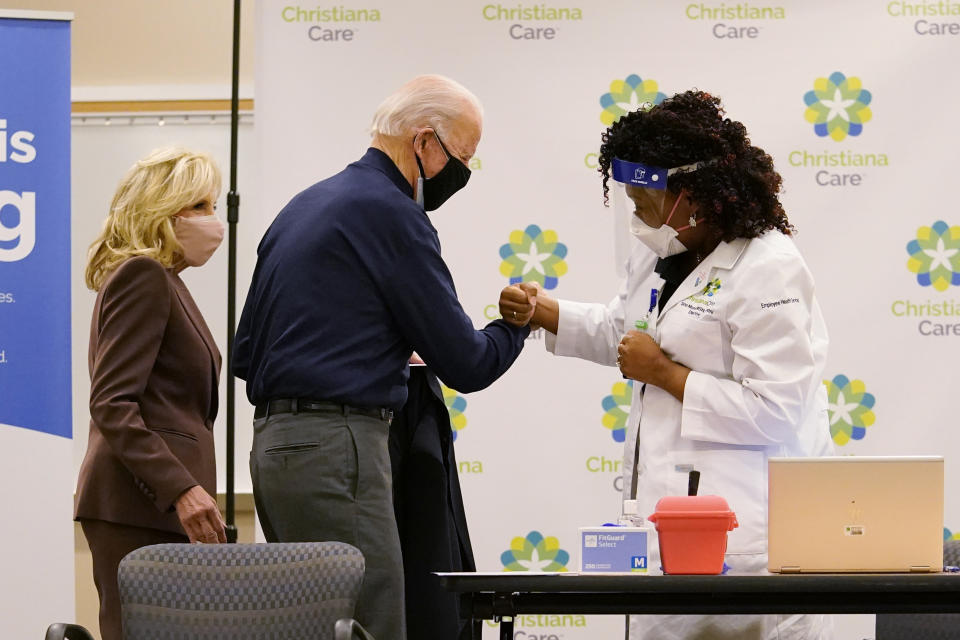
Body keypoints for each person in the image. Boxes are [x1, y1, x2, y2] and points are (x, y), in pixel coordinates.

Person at [502, 91, 835, 639]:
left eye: (644, 201)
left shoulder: (767, 268)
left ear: (692, 194)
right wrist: (545, 312)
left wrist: (665, 375)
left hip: (746, 545)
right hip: (669, 535)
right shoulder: (667, 253)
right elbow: (626, 331)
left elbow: (778, 411)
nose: (635, 215)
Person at [234, 74, 532, 640]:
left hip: (274, 448)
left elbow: (248, 351)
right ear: (424, 141)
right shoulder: (392, 213)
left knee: (309, 626)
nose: (461, 176)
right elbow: (467, 363)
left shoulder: (304, 205)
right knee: (368, 624)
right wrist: (512, 327)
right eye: (461, 159)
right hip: (339, 450)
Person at [75, 147, 227, 640]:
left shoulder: (165, 281)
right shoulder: (143, 276)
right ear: (163, 210)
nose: (214, 221)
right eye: (200, 206)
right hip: (139, 504)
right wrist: (179, 489)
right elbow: (112, 404)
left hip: (158, 507)